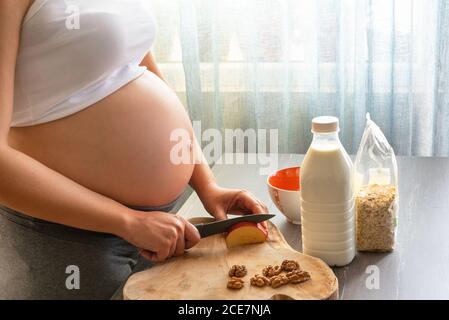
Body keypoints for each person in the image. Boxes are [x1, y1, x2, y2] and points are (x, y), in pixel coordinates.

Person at [0, 0, 268, 299]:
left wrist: (207, 185)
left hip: (163, 230)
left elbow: (142, 72)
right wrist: (128, 222)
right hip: (71, 239)